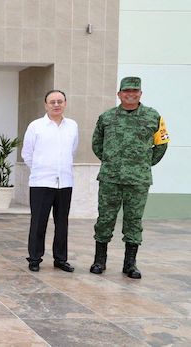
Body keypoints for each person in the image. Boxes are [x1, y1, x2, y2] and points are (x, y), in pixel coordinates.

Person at [90, 77, 169, 279]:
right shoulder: (106, 117)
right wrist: (111, 161)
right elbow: (97, 143)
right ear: (119, 94)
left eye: (135, 91)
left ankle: (130, 264)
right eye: (126, 91)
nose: (130, 94)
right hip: (110, 178)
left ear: (140, 94)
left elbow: (162, 144)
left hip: (138, 180)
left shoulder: (153, 116)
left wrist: (143, 164)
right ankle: (100, 261)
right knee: (105, 218)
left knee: (134, 220)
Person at [21, 90, 78, 272]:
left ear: (65, 104)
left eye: (60, 101)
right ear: (45, 105)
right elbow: (27, 154)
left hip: (65, 182)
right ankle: (35, 259)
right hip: (41, 183)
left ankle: (60, 259)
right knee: (38, 222)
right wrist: (41, 169)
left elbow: (73, 150)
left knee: (62, 223)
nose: (56, 105)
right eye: (52, 102)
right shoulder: (36, 126)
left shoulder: (72, 126)